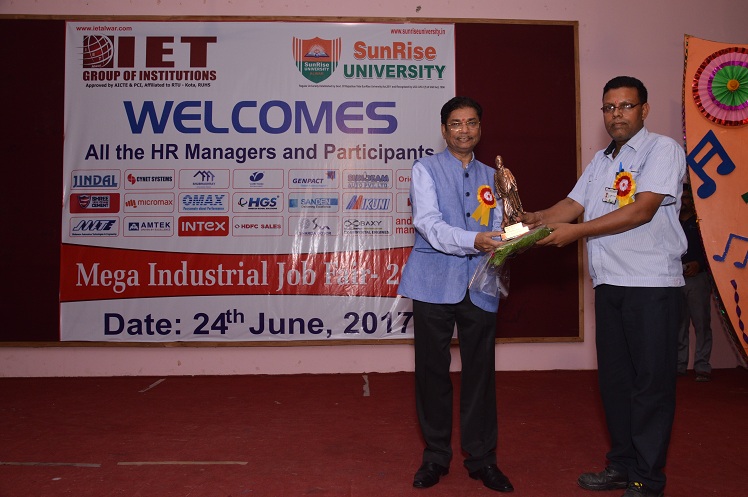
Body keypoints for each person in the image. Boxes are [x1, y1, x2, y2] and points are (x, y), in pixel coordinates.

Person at [520, 76, 686, 497]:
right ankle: (622, 466)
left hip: (651, 284)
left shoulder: (662, 149)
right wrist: (531, 221)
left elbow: (641, 211)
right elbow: (571, 205)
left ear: (644, 109)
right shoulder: (601, 161)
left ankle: (648, 479)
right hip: (609, 283)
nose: (617, 115)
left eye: (626, 106)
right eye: (609, 108)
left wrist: (576, 233)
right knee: (615, 384)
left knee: (650, 386)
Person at [398, 96, 514, 493]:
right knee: (432, 372)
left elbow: (500, 225)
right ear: (444, 129)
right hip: (432, 281)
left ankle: (482, 459)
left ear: (480, 127)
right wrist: (475, 240)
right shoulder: (425, 169)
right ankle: (435, 456)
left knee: (480, 372)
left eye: (471, 122)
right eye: (456, 123)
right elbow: (428, 224)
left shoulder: (495, 176)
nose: (464, 130)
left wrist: (514, 235)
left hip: (481, 283)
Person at [677, 183, 713, 381]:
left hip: (698, 278)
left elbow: (713, 251)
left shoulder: (701, 223)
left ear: (693, 200)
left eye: (687, 198)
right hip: (675, 278)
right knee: (678, 324)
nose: (683, 202)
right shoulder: (672, 222)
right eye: (680, 198)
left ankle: (702, 366)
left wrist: (699, 264)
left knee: (701, 323)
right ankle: (679, 365)